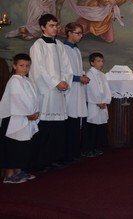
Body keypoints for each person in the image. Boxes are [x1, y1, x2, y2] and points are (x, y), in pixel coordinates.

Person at [28, 14, 73, 170]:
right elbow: (38, 70)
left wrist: (65, 81)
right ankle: (40, 161)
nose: (55, 28)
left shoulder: (59, 45)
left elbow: (66, 67)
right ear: (43, 27)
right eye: (51, 25)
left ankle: (54, 157)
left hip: (59, 92)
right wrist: (56, 83)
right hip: (46, 93)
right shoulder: (38, 46)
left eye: (56, 25)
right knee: (45, 127)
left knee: (57, 127)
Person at [0, 54, 39, 184]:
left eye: (27, 66)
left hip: (25, 117)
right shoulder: (14, 80)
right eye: (21, 65)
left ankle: (18, 170)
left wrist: (35, 111)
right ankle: (9, 175)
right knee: (12, 145)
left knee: (22, 145)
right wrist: (28, 114)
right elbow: (16, 99)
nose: (25, 68)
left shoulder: (28, 80)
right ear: (15, 66)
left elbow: (34, 98)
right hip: (14, 118)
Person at [62, 23, 90, 163]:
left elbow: (77, 69)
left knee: (75, 121)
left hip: (77, 89)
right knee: (68, 122)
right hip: (69, 89)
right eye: (78, 33)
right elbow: (63, 72)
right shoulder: (63, 49)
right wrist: (79, 78)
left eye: (81, 33)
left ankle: (74, 152)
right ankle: (66, 154)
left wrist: (82, 76)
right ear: (69, 33)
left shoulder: (76, 49)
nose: (80, 36)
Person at [84, 52, 111, 157]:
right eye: (98, 61)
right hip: (93, 105)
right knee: (92, 127)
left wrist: (105, 101)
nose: (101, 63)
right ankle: (89, 149)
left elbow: (107, 90)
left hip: (102, 104)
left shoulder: (102, 75)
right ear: (92, 62)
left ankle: (97, 147)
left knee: (100, 127)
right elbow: (90, 90)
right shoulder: (89, 74)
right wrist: (98, 102)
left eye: (102, 61)